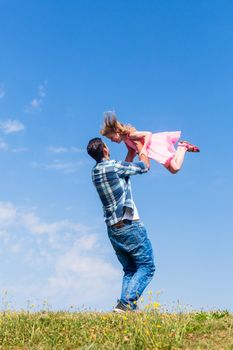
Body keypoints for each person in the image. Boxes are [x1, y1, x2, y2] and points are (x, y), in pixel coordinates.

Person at [87, 137, 155, 312]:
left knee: (130, 269)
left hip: (113, 229)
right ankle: (125, 304)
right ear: (105, 150)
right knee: (147, 266)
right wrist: (141, 149)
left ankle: (123, 310)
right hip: (129, 226)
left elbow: (123, 170)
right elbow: (144, 166)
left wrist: (130, 152)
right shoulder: (113, 166)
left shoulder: (95, 171)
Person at [100, 111, 200, 174]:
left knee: (176, 167)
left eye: (111, 137)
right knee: (173, 170)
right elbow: (131, 153)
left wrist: (143, 148)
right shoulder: (126, 141)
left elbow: (148, 134)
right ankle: (182, 148)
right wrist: (123, 167)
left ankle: (182, 147)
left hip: (154, 146)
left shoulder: (131, 135)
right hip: (151, 151)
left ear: (117, 132)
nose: (112, 141)